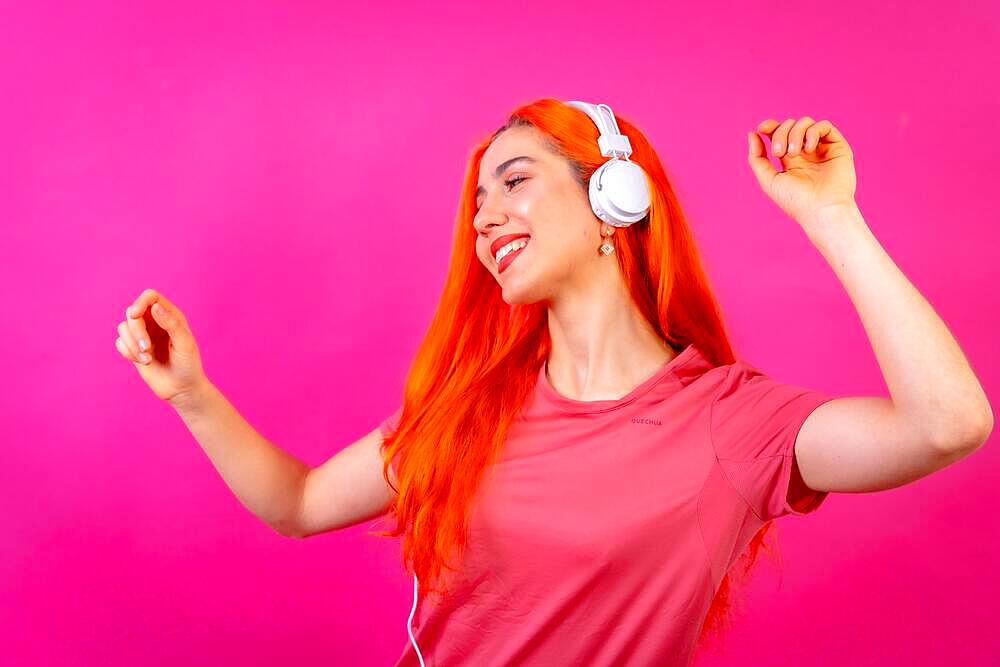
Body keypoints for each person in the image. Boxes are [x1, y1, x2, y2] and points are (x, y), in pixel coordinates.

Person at [115, 98, 993, 666]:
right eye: (476, 200)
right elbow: (299, 502)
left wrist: (830, 217)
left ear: (615, 196)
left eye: (515, 179)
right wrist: (192, 393)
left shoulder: (733, 424)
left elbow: (948, 422)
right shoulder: (472, 411)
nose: (485, 213)